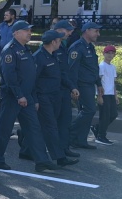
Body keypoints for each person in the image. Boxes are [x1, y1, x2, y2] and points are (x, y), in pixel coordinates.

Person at [0, 21, 57, 173]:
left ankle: (41, 160)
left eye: (30, 30)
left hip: (27, 96)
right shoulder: (9, 50)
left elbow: (31, 77)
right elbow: (9, 76)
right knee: (4, 129)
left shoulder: (26, 50)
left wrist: (33, 98)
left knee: (34, 128)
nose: (29, 33)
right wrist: (19, 95)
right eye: (25, 30)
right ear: (15, 33)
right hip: (12, 97)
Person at [32, 30, 79, 167]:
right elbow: (32, 81)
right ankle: (59, 158)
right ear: (53, 42)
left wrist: (72, 87)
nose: (61, 42)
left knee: (45, 128)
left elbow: (61, 75)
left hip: (55, 96)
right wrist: (35, 99)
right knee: (51, 127)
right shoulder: (38, 57)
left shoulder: (53, 56)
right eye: (59, 40)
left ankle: (32, 153)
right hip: (43, 97)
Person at [68, 22, 103, 149]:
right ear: (87, 31)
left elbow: (94, 67)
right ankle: (69, 134)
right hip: (81, 85)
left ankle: (81, 140)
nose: (98, 34)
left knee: (88, 112)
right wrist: (73, 88)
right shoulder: (77, 47)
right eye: (96, 31)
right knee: (89, 110)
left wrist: (99, 84)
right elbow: (72, 70)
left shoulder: (90, 47)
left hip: (89, 84)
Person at [52, 20, 81, 158]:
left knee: (65, 120)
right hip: (53, 90)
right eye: (68, 30)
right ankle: (28, 147)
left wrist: (71, 87)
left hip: (63, 89)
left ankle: (64, 148)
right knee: (49, 122)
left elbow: (64, 71)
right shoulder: (51, 44)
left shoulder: (63, 45)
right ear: (59, 30)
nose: (70, 32)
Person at [93, 45, 119, 145]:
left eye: (112, 53)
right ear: (103, 54)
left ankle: (97, 128)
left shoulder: (113, 67)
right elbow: (98, 82)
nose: (110, 55)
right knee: (104, 116)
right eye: (108, 53)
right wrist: (99, 96)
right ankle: (101, 136)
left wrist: (115, 95)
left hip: (111, 94)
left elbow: (113, 82)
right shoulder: (101, 66)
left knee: (113, 114)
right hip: (103, 94)